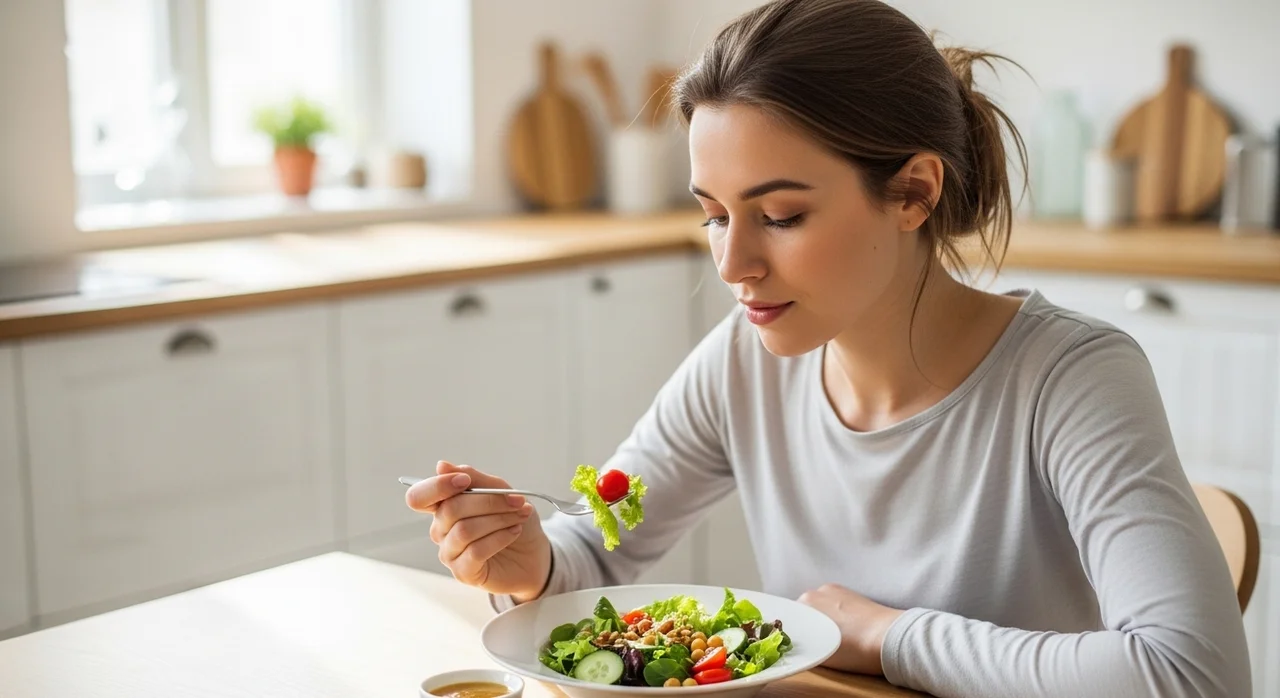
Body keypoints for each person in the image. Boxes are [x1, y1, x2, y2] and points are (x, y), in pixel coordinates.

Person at [405, 0, 1250, 695]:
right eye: (713, 214)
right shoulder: (741, 362)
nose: (733, 263)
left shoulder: (1071, 380)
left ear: (914, 191)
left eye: (780, 216)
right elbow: (598, 548)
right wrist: (530, 560)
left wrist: (890, 638)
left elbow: (1191, 673)